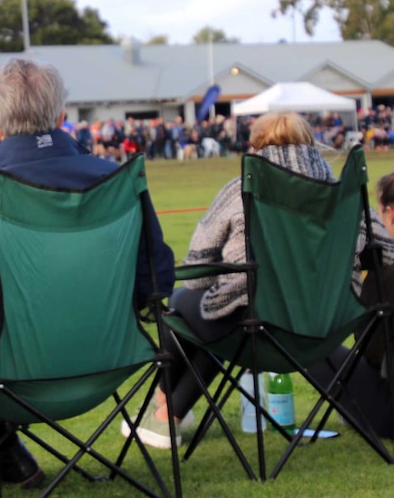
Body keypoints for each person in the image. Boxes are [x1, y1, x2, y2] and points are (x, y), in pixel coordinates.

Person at [0, 59, 176, 489]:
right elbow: (157, 280)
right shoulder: (119, 183)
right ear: (62, 118)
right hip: (109, 364)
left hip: (9, 379)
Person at [127, 112, 394, 450]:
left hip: (256, 332)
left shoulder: (242, 189)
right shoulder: (342, 197)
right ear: (311, 145)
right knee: (213, 311)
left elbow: (198, 270)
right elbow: (387, 254)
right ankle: (171, 414)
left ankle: (164, 408)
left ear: (255, 147)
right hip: (322, 333)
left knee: (185, 302)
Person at [307, 171, 394, 439]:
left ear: (390, 213)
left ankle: (354, 409)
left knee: (313, 350)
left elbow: (368, 342)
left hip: (389, 414)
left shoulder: (387, 276)